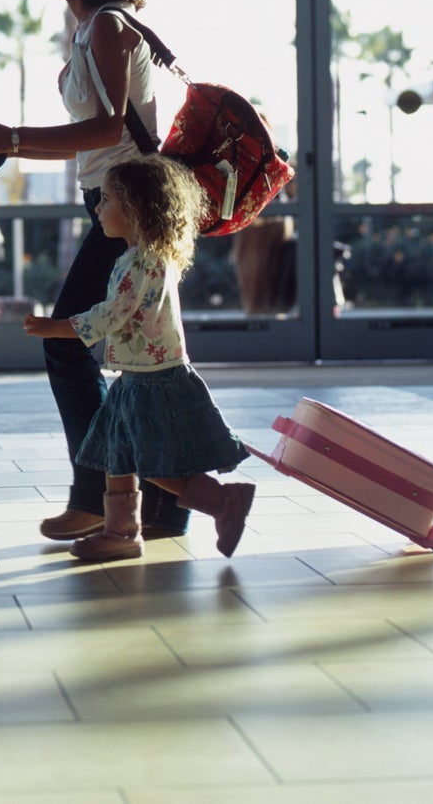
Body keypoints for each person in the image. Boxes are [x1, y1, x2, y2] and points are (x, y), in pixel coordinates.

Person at [0, 0, 190, 541]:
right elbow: (92, 139)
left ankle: (96, 492)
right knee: (146, 359)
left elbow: (107, 129)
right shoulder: (90, 29)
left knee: (69, 343)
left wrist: (11, 137)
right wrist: (7, 143)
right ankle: (164, 505)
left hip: (136, 208)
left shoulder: (111, 28)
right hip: (115, 204)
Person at [23, 155, 256, 562]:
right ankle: (121, 532)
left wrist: (56, 327)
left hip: (152, 380)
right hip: (136, 376)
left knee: (154, 463)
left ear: (137, 209)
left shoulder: (141, 263)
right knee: (119, 454)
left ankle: (222, 502)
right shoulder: (138, 257)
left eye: (108, 199)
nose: (98, 207)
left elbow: (112, 314)